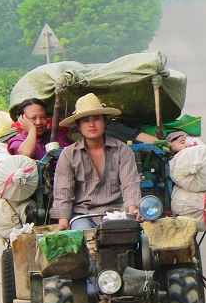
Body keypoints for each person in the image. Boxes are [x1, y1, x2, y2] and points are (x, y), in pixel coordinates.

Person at [49, 93, 142, 231]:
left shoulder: (123, 150)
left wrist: (132, 208)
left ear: (104, 121)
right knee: (83, 240)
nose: (92, 124)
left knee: (128, 240)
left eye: (97, 119)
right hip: (83, 215)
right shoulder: (69, 154)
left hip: (116, 213)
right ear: (79, 126)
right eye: (85, 120)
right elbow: (64, 192)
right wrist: (63, 223)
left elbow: (130, 184)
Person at [7, 98, 73, 160]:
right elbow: (26, 155)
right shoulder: (17, 141)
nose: (39, 122)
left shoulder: (58, 134)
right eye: (33, 118)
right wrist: (32, 130)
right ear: (22, 119)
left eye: (43, 117)